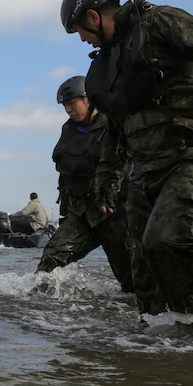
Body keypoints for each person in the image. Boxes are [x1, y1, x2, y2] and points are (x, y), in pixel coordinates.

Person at [61, 0, 193, 316]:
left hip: (190, 157)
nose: (82, 39)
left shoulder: (157, 23)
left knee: (167, 241)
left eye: (81, 30)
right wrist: (106, 179)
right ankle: (156, 344)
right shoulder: (108, 67)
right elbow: (115, 128)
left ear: (93, 17)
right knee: (142, 267)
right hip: (142, 172)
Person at [35, 76, 133, 293]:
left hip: (115, 215)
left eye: (72, 103)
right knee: (51, 261)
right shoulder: (68, 129)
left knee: (132, 280)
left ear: (89, 99)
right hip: (81, 214)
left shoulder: (115, 123)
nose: (68, 110)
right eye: (65, 106)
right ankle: (37, 311)